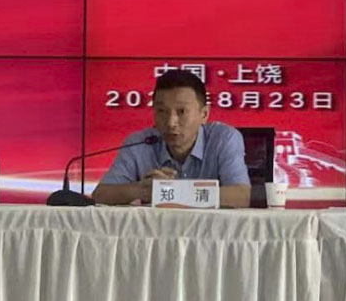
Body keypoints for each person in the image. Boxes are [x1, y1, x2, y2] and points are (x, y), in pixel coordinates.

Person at [92, 69, 251, 208]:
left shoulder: (223, 139)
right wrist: (143, 190)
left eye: (181, 111)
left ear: (204, 114)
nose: (170, 122)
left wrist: (173, 192)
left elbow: (241, 196)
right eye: (162, 111)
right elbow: (100, 195)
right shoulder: (140, 143)